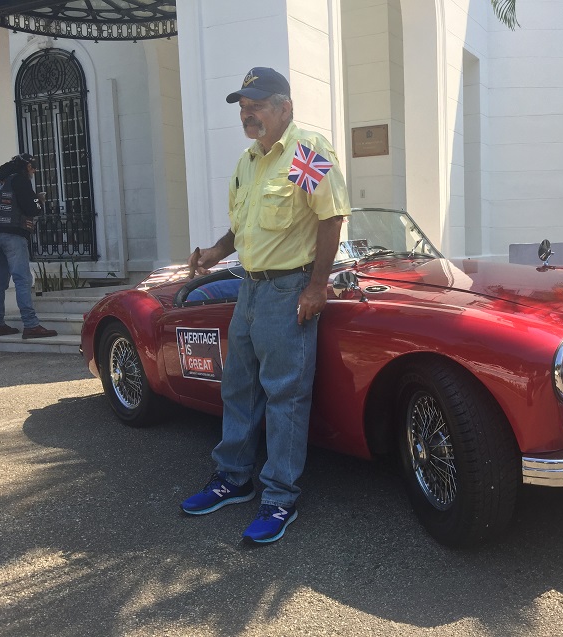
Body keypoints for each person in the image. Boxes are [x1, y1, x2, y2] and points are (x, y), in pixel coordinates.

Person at [180, 67, 350, 544]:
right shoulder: (248, 162)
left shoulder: (303, 152)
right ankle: (233, 478)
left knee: (284, 396)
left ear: (285, 108)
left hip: (287, 291)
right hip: (248, 289)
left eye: (256, 104)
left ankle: (279, 499)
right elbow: (243, 226)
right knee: (238, 389)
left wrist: (316, 287)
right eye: (242, 106)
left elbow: (330, 217)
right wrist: (217, 251)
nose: (246, 113)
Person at [0, 154, 58, 339]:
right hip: (13, 237)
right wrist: (39, 201)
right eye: (33, 167)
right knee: (22, 280)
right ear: (26, 167)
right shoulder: (20, 180)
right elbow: (32, 209)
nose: (34, 171)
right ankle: (31, 325)